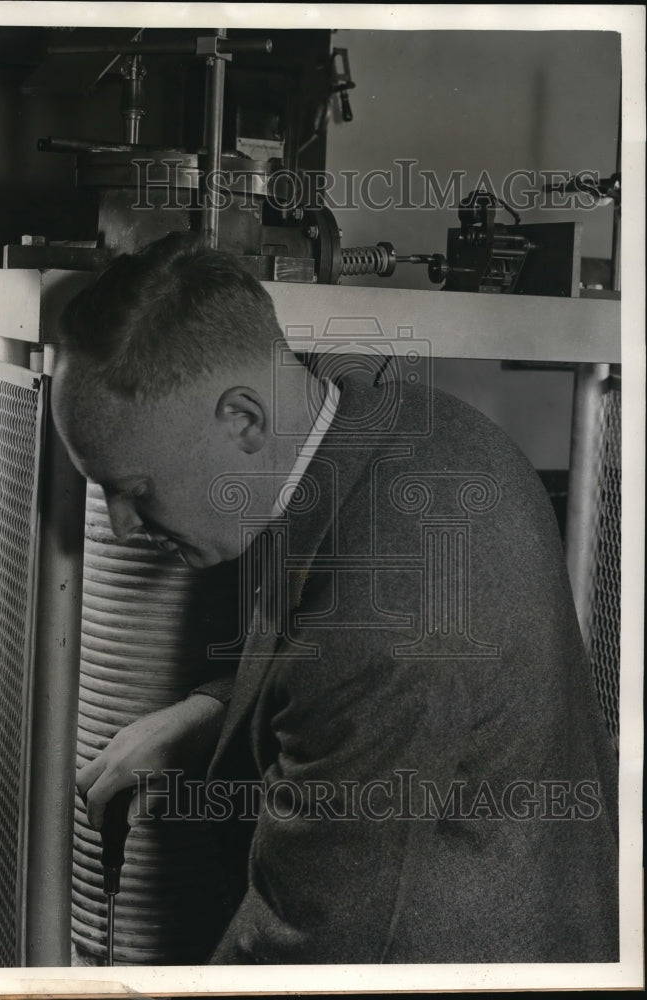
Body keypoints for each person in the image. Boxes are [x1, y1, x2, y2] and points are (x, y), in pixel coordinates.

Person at [51, 232, 619, 964]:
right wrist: (212, 713)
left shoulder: (391, 606)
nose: (123, 528)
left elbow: (303, 941)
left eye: (131, 490)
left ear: (244, 421)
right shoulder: (401, 429)